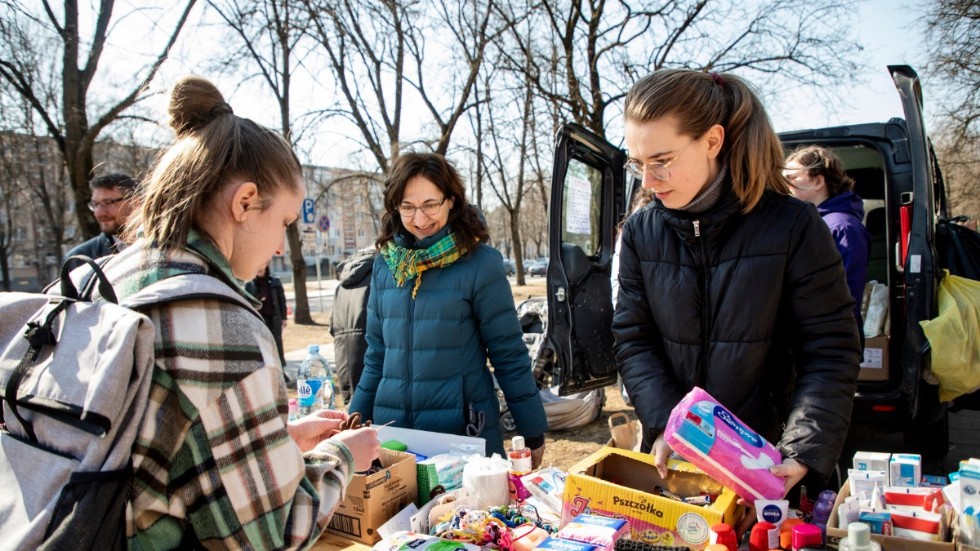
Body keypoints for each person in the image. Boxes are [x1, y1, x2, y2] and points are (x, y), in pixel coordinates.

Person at [102, 76, 379, 548]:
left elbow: (165, 454)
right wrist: (340, 456)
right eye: (284, 223)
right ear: (245, 202)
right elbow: (272, 535)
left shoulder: (107, 276)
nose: (278, 247)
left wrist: (277, 441)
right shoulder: (220, 326)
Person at [612, 69, 861, 499]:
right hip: (679, 460)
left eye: (661, 161)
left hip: (770, 461)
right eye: (638, 163)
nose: (647, 182)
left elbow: (830, 348)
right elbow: (634, 339)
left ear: (712, 141)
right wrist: (672, 425)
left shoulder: (793, 226)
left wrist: (801, 450)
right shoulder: (640, 232)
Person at [348, 152, 549, 466]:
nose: (420, 219)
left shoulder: (480, 263)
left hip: (462, 437)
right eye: (408, 207)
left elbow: (507, 352)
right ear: (394, 207)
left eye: (430, 204)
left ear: (451, 201)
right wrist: (353, 420)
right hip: (394, 441)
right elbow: (376, 355)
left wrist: (532, 429)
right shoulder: (386, 266)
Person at [784, 145, 871, 341]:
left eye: (792, 178)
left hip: (830, 342)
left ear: (818, 181)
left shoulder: (842, 227)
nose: (785, 185)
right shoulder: (810, 222)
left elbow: (844, 293)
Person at [330, 247, 377, 405]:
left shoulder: (340, 287)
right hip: (369, 363)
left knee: (352, 414)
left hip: (344, 362)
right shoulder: (379, 280)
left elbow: (332, 328)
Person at [65, 172, 138, 259]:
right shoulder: (78, 260)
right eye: (95, 204)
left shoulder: (157, 246)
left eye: (108, 203)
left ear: (135, 202)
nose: (99, 213)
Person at [246, 261, 289, 371]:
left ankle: (281, 371)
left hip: (274, 318)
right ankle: (266, 370)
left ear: (266, 265)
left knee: (276, 344)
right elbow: (247, 302)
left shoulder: (275, 281)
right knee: (262, 345)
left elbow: (281, 300)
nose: (259, 267)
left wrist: (284, 318)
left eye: (262, 264)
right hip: (259, 320)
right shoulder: (250, 284)